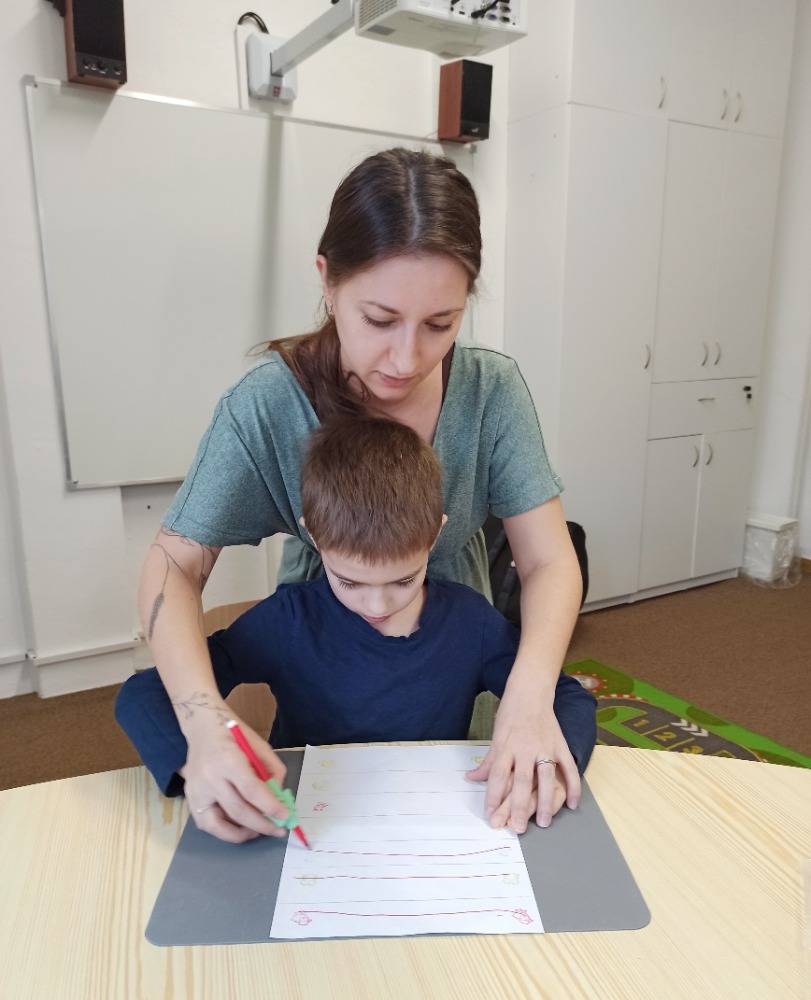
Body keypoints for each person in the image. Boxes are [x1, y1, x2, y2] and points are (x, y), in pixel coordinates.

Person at [139, 146, 584, 837]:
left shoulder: (490, 391)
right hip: (326, 667)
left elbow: (550, 560)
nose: (407, 360)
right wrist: (202, 722)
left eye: (440, 324)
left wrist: (528, 697)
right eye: (379, 320)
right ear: (327, 280)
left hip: (455, 672)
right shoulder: (266, 405)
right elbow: (175, 563)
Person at [118, 417, 596, 844]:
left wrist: (550, 768)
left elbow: (567, 697)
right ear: (314, 534)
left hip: (429, 827)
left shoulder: (470, 622)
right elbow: (143, 695)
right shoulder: (289, 621)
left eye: (403, 580)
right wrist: (196, 761)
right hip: (305, 828)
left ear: (435, 534)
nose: (378, 605)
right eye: (350, 581)